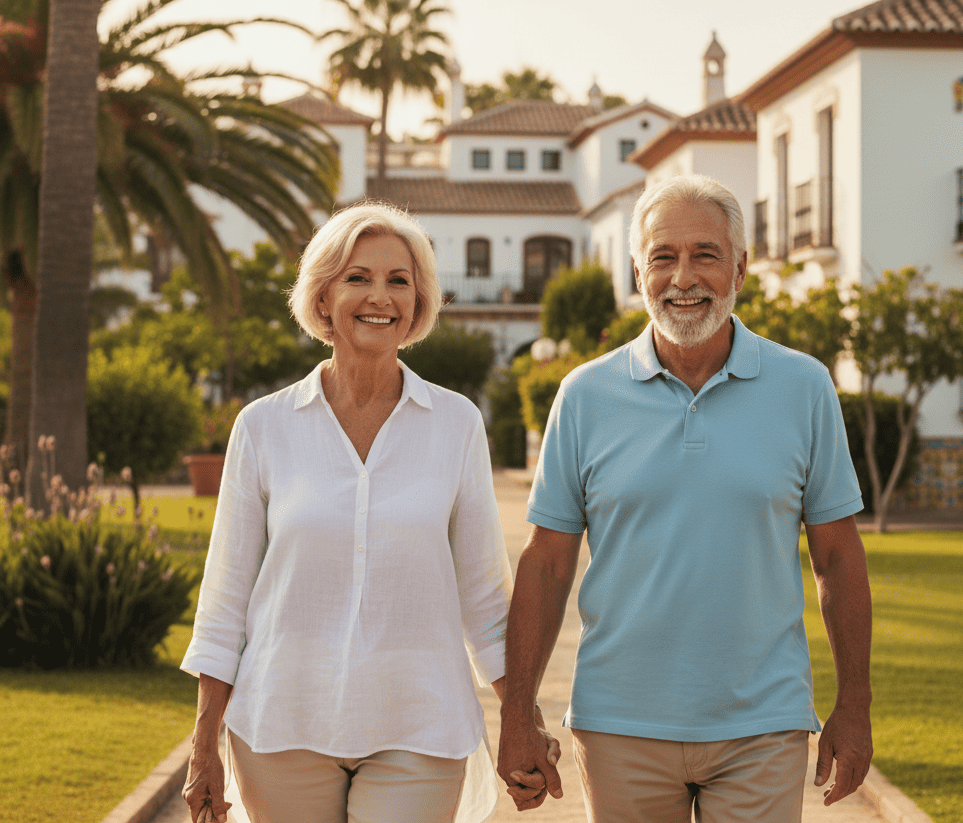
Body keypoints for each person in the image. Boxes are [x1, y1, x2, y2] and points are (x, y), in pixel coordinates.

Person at [497, 174, 873, 822]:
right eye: (663, 257)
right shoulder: (585, 396)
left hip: (764, 724)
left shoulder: (804, 387)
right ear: (638, 270)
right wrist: (517, 716)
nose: (683, 277)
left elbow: (837, 557)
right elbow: (547, 563)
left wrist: (855, 704)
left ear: (741, 269)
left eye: (705, 254)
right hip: (619, 723)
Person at [180, 202, 552, 823]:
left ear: (417, 303)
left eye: (398, 280)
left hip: (421, 723)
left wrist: (521, 721)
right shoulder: (263, 426)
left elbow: (486, 596)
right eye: (358, 277)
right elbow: (225, 599)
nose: (379, 296)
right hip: (280, 723)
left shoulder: (457, 423)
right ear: (323, 297)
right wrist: (203, 743)